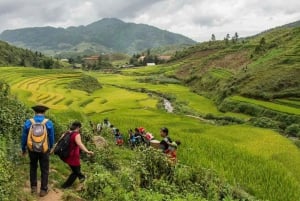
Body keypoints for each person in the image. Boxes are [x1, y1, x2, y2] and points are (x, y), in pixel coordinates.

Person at [21, 105, 55, 197]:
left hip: (32, 149)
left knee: (33, 167)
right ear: (44, 112)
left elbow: (24, 137)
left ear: (34, 112)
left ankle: (33, 188)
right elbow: (51, 137)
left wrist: (23, 149)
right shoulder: (48, 123)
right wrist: (51, 147)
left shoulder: (29, 122)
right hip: (44, 149)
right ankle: (43, 190)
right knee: (44, 169)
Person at [61, 121, 94, 189]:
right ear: (78, 127)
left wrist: (53, 150)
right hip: (74, 156)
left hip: (67, 155)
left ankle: (68, 185)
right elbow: (80, 144)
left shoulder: (66, 133)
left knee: (75, 171)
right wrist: (87, 151)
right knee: (76, 171)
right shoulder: (76, 134)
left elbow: (59, 141)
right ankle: (82, 180)